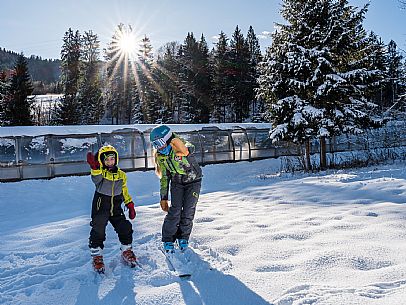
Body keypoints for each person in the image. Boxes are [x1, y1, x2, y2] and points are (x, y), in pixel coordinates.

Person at [150, 125, 203, 253]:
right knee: (175, 211)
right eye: (155, 144)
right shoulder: (161, 156)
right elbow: (164, 178)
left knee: (188, 211)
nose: (158, 147)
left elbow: (190, 147)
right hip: (177, 182)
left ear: (167, 138)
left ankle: (183, 237)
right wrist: (163, 197)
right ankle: (168, 239)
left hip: (193, 181)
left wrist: (186, 150)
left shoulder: (179, 145)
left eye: (160, 143)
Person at [86, 145, 137, 273]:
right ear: (102, 161)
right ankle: (97, 256)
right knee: (98, 230)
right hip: (100, 206)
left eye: (112, 159)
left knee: (125, 227)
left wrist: (129, 204)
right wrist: (95, 167)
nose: (110, 162)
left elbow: (124, 190)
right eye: (107, 160)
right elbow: (95, 177)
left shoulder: (121, 175)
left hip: (116, 206)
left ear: (116, 159)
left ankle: (127, 250)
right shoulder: (100, 173)